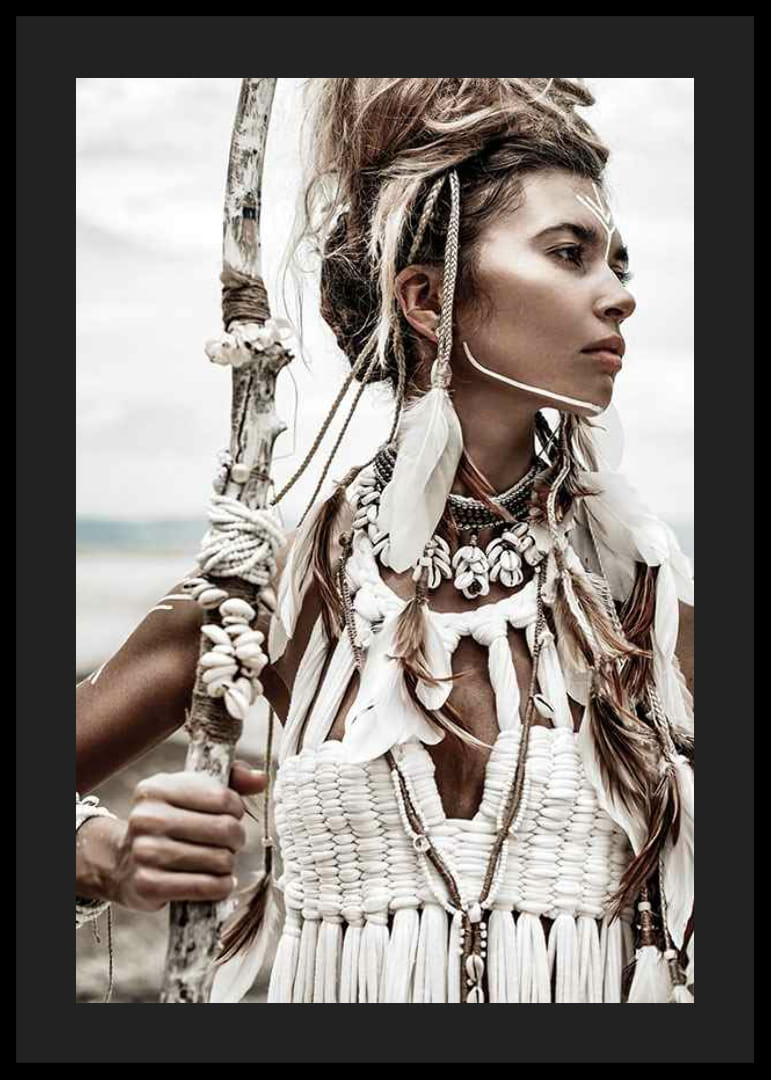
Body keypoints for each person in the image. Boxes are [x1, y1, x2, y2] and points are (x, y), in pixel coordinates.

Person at [76, 78, 694, 1004]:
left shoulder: (643, 612)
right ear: (423, 296)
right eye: (571, 254)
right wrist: (111, 854)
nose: (618, 297)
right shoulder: (272, 593)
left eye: (619, 264)